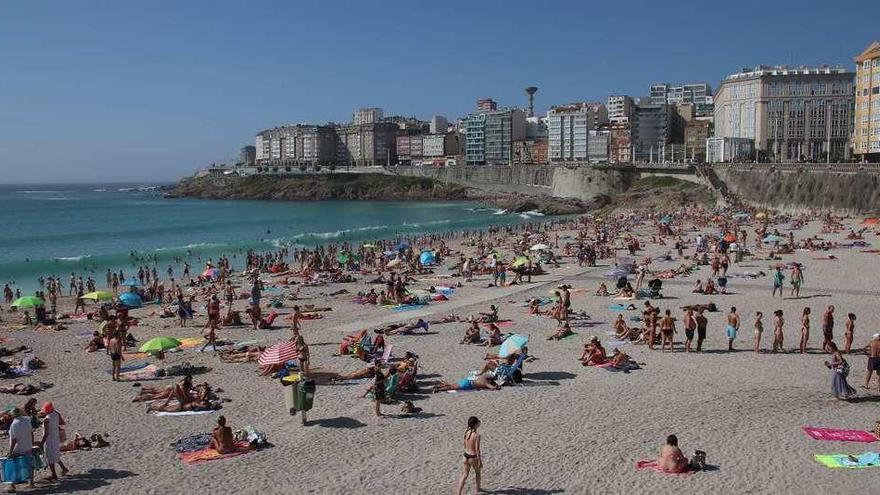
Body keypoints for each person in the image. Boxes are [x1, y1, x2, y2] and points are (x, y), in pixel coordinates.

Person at [7, 407, 35, 491]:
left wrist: (10, 451)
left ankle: (12, 485)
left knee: (13, 464)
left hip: (19, 447)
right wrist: (31, 444)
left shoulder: (14, 424)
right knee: (29, 464)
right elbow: (31, 433)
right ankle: (32, 483)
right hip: (28, 445)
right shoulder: (27, 420)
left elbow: (14, 440)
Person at [39, 402, 68, 480]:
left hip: (49, 440)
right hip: (56, 437)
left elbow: (46, 433)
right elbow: (62, 422)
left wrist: (41, 443)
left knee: (50, 457)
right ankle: (64, 468)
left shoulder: (47, 420)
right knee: (56, 454)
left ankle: (54, 474)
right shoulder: (56, 413)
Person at [456, 416, 483, 495]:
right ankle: (478, 488)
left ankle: (458, 492)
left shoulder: (466, 431)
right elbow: (477, 450)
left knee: (464, 475)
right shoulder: (477, 435)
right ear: (475, 425)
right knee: (478, 473)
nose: (479, 423)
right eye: (478, 422)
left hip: (465, 455)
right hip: (473, 457)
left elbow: (465, 443)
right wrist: (480, 461)